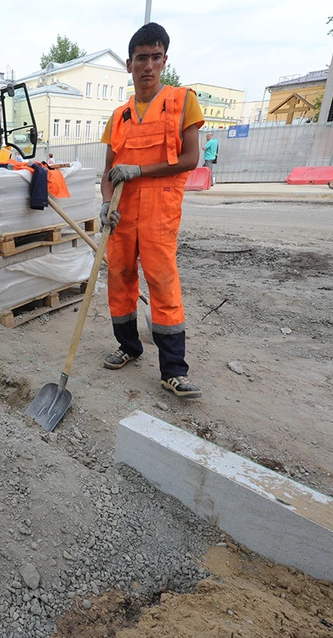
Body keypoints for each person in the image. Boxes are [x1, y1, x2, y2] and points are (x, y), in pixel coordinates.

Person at [98, 22, 204, 399]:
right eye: (141, 58)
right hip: (123, 215)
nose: (148, 66)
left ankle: (173, 370)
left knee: (162, 284)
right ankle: (129, 346)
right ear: (129, 64)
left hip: (159, 212)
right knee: (120, 280)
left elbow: (192, 158)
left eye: (155, 58)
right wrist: (106, 203)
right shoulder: (118, 117)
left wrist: (140, 170)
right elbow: (108, 172)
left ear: (164, 60)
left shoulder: (181, 102)